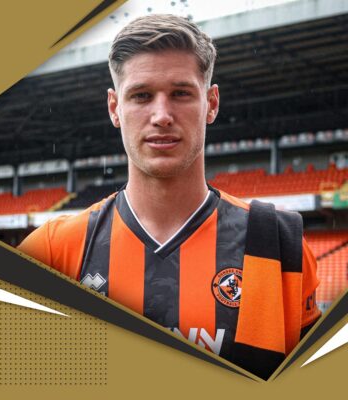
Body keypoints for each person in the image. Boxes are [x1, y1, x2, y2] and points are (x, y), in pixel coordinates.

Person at [18, 14, 321, 379]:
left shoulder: (278, 245)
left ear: (211, 103)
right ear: (115, 108)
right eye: (141, 96)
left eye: (180, 93)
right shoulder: (51, 251)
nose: (162, 116)